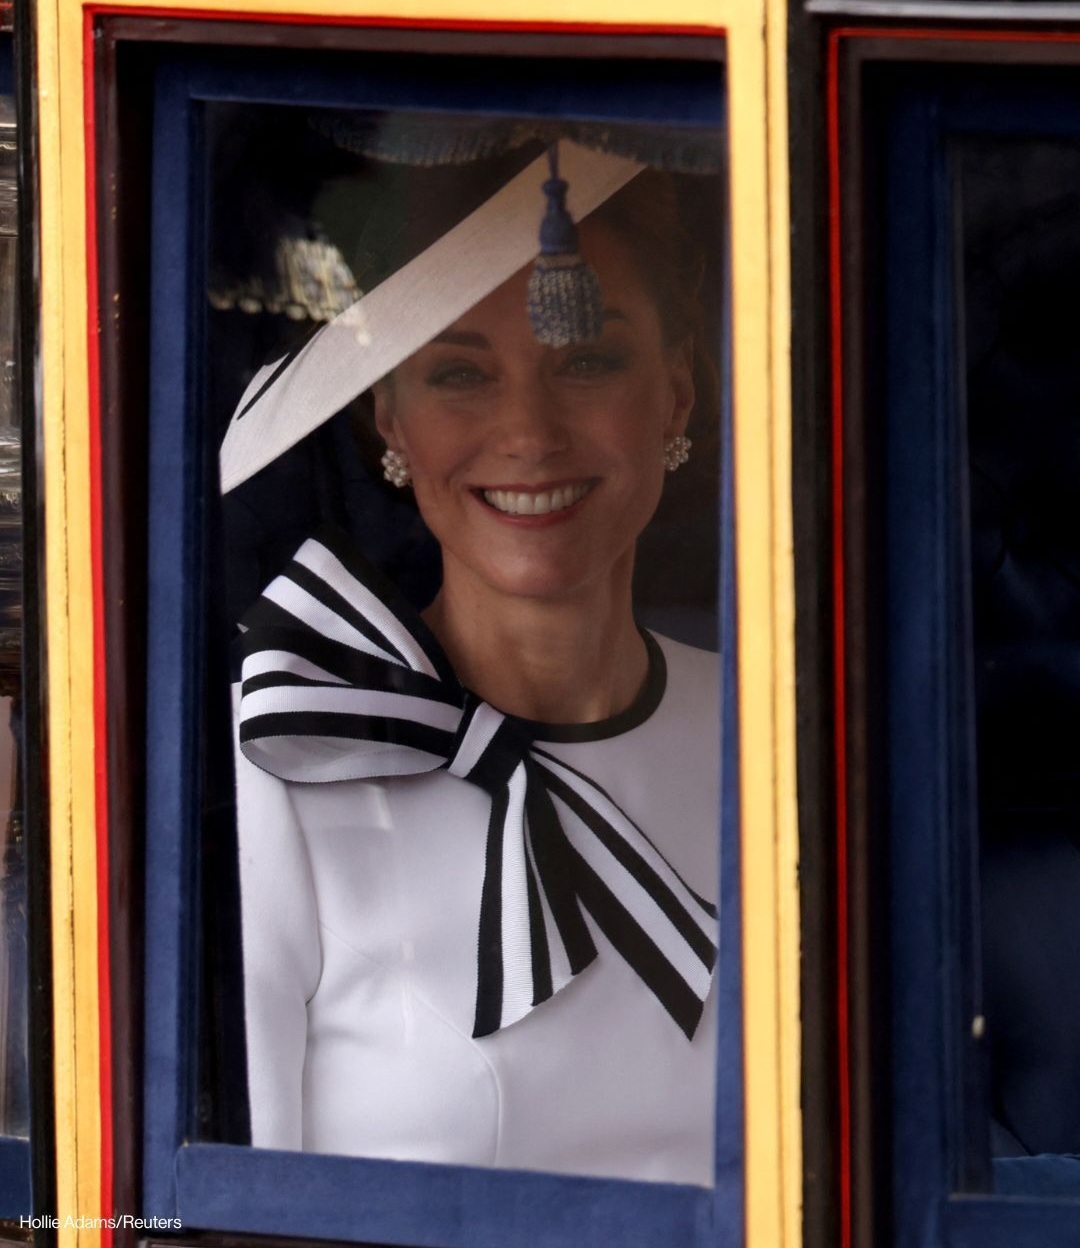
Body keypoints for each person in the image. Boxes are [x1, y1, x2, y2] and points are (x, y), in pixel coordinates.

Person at [229, 146, 721, 1186]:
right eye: (459, 372)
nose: (529, 433)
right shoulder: (286, 760)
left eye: (586, 359)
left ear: (677, 393)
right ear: (390, 420)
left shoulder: (776, 744)